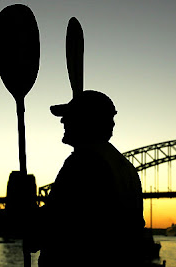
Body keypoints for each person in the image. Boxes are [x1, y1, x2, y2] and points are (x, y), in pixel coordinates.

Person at [37, 90, 145, 266]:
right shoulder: (124, 166)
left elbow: (58, 222)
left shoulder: (83, 162)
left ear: (86, 121)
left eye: (69, 116)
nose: (63, 121)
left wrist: (27, 224)